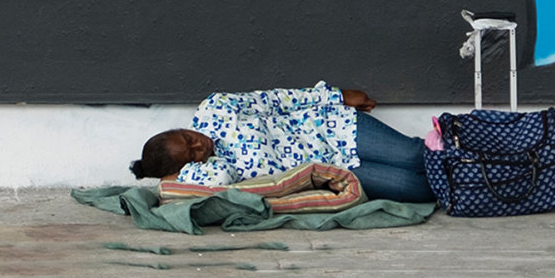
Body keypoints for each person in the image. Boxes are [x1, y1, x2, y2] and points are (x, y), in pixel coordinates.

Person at [129, 81, 435, 203]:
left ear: (180, 128)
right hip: (336, 169)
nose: (200, 145)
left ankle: (476, 147)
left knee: (414, 155)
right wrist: (182, 174)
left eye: (189, 138)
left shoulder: (214, 109)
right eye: (192, 154)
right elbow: (219, 177)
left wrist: (336, 96)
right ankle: (474, 180)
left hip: (332, 129)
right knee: (418, 189)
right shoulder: (214, 171)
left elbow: (277, 100)